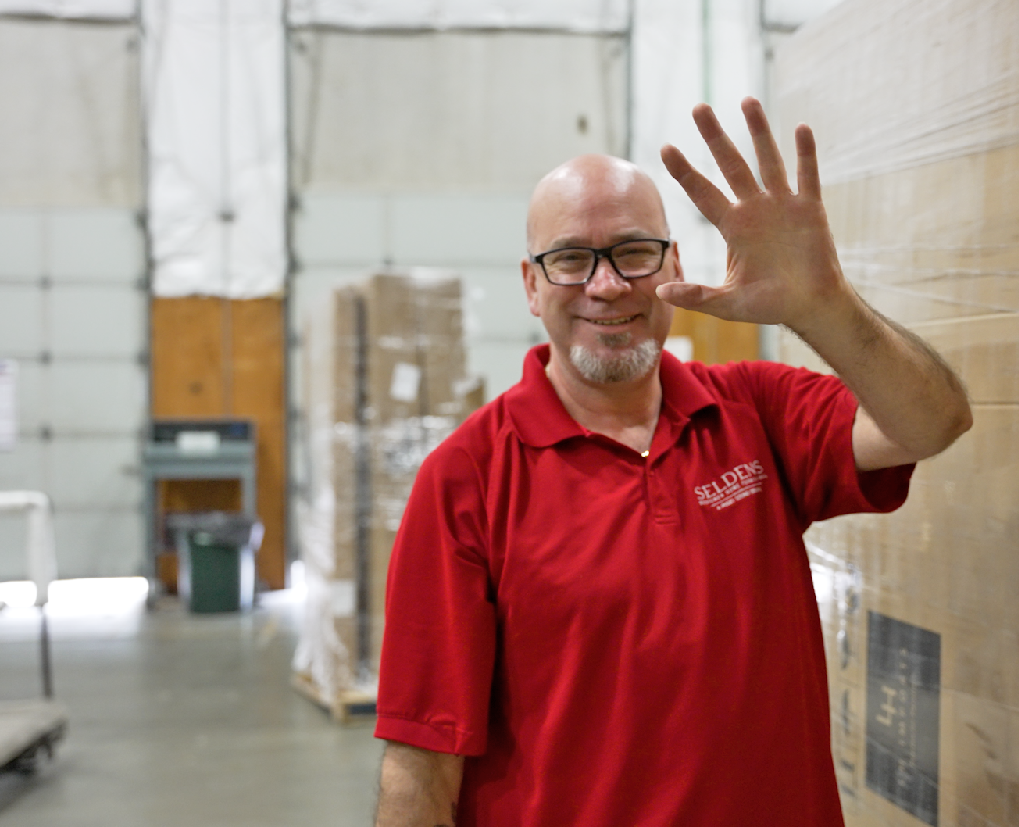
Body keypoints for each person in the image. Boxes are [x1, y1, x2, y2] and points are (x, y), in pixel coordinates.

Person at [372, 98, 973, 826]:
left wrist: (824, 306)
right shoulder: (467, 479)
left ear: (673, 265)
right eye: (569, 259)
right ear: (531, 286)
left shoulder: (756, 412)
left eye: (632, 251)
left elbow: (933, 421)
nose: (606, 285)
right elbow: (422, 761)